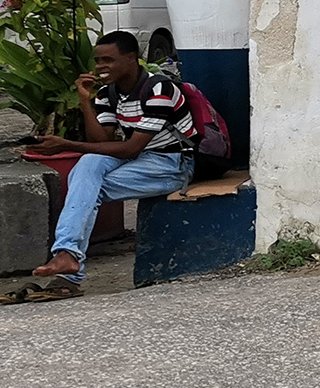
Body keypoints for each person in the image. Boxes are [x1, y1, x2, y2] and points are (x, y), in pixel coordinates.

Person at [21, 31, 196, 302]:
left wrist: (67, 144)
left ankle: (69, 271)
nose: (101, 66)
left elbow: (130, 148)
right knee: (89, 165)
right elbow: (101, 141)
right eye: (98, 60)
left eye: (108, 60)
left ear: (131, 59)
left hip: (172, 164)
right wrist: (85, 100)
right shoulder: (108, 93)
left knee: (87, 186)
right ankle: (67, 258)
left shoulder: (159, 89)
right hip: (140, 161)